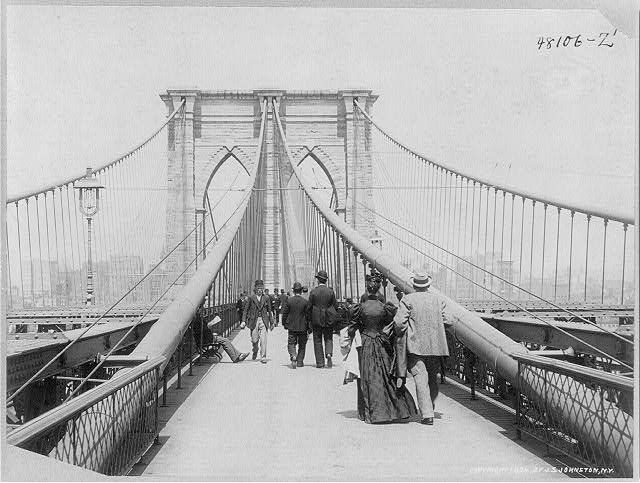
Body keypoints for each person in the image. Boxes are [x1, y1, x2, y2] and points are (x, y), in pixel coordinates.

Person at [347, 277, 418, 424]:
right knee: (387, 375)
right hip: (380, 341)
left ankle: (370, 413)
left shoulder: (359, 307)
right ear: (379, 289)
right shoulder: (385, 307)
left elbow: (352, 328)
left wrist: (351, 337)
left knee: (367, 376)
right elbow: (392, 323)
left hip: (366, 342)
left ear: (367, 289)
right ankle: (398, 410)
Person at [393, 272, 450, 426]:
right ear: (428, 285)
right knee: (432, 378)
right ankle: (430, 407)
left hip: (416, 346)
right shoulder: (438, 300)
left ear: (414, 285)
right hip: (436, 347)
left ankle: (427, 414)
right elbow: (449, 320)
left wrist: (404, 332)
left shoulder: (408, 299)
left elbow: (399, 323)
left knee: (420, 378)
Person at [307, 269, 338, 368]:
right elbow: (335, 306)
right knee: (328, 337)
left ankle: (320, 363)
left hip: (316, 319)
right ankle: (328, 353)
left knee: (317, 340)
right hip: (328, 318)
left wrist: (308, 319)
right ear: (326, 280)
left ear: (318, 280)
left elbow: (309, 307)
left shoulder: (313, 292)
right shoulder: (330, 291)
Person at [241, 279, 274, 363]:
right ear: (255, 289)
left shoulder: (266, 298)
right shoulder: (251, 298)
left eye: (261, 288)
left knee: (263, 339)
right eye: (258, 288)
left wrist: (272, 322)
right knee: (254, 340)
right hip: (253, 320)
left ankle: (263, 356)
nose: (260, 290)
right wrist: (243, 321)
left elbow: (269, 311)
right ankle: (255, 350)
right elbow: (245, 310)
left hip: (263, 320)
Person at [281, 282, 310, 368]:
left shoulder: (289, 301)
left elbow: (285, 313)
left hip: (292, 326)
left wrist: (284, 323)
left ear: (293, 291)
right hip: (303, 327)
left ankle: (293, 355)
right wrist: (309, 327)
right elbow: (308, 315)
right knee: (302, 344)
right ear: (301, 291)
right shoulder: (305, 302)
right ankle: (300, 362)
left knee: (291, 343)